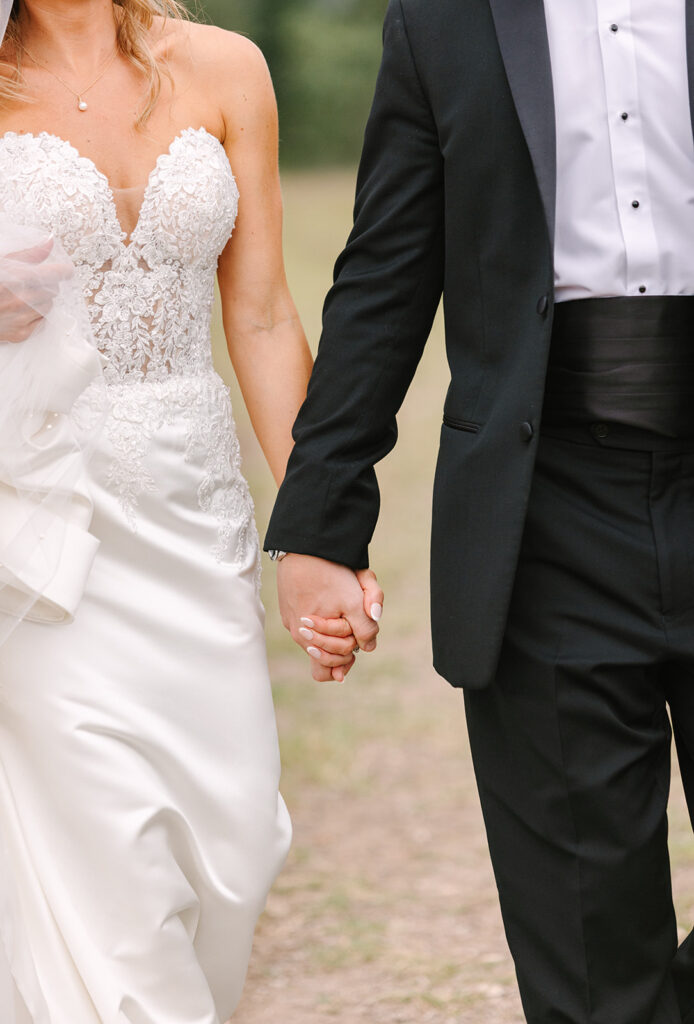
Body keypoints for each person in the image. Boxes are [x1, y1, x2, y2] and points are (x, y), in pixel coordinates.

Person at [266, 1, 694, 1022]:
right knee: (594, 970)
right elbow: (385, 271)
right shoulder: (443, 20)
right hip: (544, 520)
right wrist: (320, 522)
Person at [0, 1, 381, 1019]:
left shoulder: (225, 69)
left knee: (235, 846)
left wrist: (321, 522)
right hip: (37, 528)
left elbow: (258, 315)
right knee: (109, 876)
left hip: (193, 509)